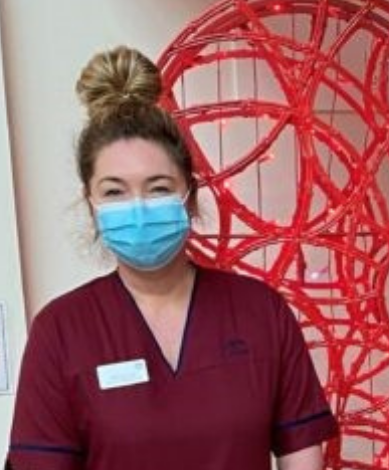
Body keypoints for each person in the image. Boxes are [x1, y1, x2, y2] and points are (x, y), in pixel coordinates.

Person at [6, 45, 338, 470]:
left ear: (189, 196)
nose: (139, 206)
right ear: (91, 205)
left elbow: (301, 455)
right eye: (114, 191)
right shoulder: (61, 331)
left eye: (158, 187)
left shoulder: (261, 312)